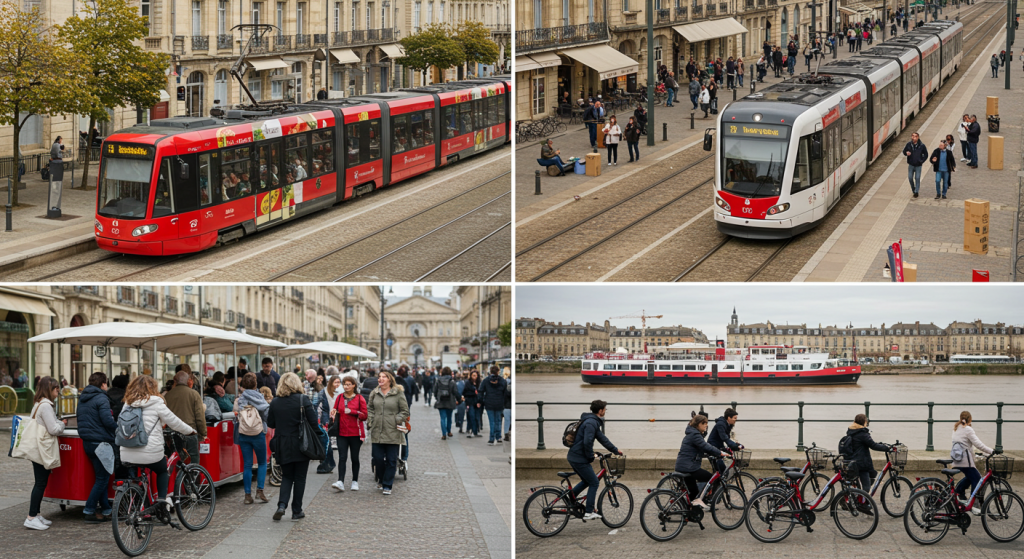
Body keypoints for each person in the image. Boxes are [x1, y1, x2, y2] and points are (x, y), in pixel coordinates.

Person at [119, 376, 197, 527]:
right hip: (150, 452)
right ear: (153, 388)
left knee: (142, 469)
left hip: (126, 452)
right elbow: (174, 422)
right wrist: (190, 431)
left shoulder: (127, 405)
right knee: (162, 469)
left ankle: (144, 502)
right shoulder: (156, 403)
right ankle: (161, 502)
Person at [267, 372, 319, 520]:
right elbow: (314, 423)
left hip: (283, 443)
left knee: (287, 476)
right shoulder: (303, 399)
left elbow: (271, 423)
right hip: (302, 443)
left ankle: (281, 505)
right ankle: (297, 511)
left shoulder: (276, 402)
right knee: (300, 478)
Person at [567, 400, 623, 520]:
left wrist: (615, 450)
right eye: (605, 409)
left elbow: (603, 439)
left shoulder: (590, 421)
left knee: (587, 480)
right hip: (579, 458)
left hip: (574, 456)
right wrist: (590, 456)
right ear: (600, 410)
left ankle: (569, 499)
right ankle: (589, 511)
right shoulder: (592, 423)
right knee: (594, 482)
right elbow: (587, 442)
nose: (605, 412)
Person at [24, 377, 66, 530]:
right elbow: (54, 429)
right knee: (40, 483)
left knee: (41, 482)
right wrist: (62, 423)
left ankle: (36, 513)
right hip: (43, 449)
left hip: (38, 447)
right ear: (50, 389)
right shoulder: (46, 406)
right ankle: (31, 517)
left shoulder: (37, 404)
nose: (58, 391)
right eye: (56, 388)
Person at [77, 372, 117, 523]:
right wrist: (118, 428)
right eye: (106, 383)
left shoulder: (83, 397)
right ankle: (89, 510)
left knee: (101, 478)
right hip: (101, 442)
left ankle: (106, 509)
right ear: (103, 384)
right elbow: (107, 421)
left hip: (88, 443)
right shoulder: (101, 398)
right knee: (102, 479)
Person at [367, 370, 409, 496]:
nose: (380, 379)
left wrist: (397, 419)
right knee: (378, 459)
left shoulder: (398, 393)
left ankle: (387, 484)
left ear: (389, 379)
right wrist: (371, 420)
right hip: (377, 430)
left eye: (384, 377)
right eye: (379, 377)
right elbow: (370, 408)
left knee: (391, 460)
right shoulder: (374, 393)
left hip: (392, 430)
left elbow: (405, 411)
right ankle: (381, 477)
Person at [674, 414, 727, 510]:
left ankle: (690, 510)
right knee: (711, 478)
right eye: (704, 423)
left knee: (693, 491)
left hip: (684, 466)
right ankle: (702, 500)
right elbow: (706, 446)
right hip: (689, 467)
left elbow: (700, 448)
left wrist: (711, 453)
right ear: (698, 424)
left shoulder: (693, 434)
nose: (706, 425)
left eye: (706, 423)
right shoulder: (695, 435)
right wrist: (720, 453)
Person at [234, 373, 271, 505]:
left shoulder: (241, 398)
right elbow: (266, 413)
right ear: (256, 384)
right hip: (257, 433)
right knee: (262, 463)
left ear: (243, 385)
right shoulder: (259, 397)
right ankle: (260, 490)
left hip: (244, 433)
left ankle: (247, 495)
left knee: (247, 464)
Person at [844, 413, 891, 515]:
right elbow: (873, 445)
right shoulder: (863, 433)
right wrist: (887, 448)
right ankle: (862, 504)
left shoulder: (851, 431)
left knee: (872, 474)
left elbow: (868, 443)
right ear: (864, 422)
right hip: (862, 463)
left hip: (854, 461)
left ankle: (858, 499)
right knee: (867, 485)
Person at [952, 411, 994, 515]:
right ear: (970, 419)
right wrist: (991, 451)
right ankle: (973, 502)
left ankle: (959, 491)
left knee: (970, 477)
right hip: (965, 460)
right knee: (977, 478)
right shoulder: (968, 429)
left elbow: (964, 443)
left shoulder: (956, 428)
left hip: (956, 459)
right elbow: (978, 444)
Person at [330, 375, 367, 492]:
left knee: (354, 458)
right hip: (341, 432)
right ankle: (340, 481)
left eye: (348, 384)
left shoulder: (360, 398)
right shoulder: (339, 398)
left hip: (355, 432)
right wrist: (333, 413)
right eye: (344, 384)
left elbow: (364, 416)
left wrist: (353, 412)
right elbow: (335, 410)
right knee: (342, 457)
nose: (346, 386)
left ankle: (354, 481)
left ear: (353, 385)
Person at [163, 367, 207, 464]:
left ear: (175, 380)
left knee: (176, 462)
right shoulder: (194, 394)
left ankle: (178, 478)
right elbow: (200, 417)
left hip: (173, 435)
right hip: (190, 432)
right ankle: (192, 478)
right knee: (193, 461)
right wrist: (203, 433)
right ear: (188, 381)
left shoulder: (167, 396)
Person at [706, 408, 744, 475]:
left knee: (722, 470)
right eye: (735, 418)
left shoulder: (727, 424)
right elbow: (724, 438)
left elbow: (728, 438)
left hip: (719, 446)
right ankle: (715, 484)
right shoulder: (721, 424)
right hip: (713, 447)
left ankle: (719, 483)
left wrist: (735, 444)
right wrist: (734, 446)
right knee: (720, 469)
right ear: (729, 418)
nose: (736, 420)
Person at [478, 365, 508, 446]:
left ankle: (491, 439)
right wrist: (504, 402)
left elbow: (481, 391)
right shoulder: (502, 381)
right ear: (498, 371)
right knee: (498, 420)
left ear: (490, 371)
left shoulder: (486, 380)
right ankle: (498, 437)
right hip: (499, 403)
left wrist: (480, 401)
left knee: (492, 421)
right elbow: (505, 393)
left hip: (489, 403)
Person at [434, 367, 459, 440]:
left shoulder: (438, 380)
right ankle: (449, 431)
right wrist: (459, 399)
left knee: (442, 418)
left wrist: (437, 398)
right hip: (450, 401)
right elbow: (455, 392)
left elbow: (435, 391)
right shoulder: (452, 381)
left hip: (441, 402)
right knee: (449, 417)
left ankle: (443, 434)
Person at [902, 132, 928, 198]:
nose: (914, 138)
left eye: (915, 136)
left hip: (918, 165)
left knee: (917, 178)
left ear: (918, 137)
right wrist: (906, 153)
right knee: (910, 177)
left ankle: (916, 191)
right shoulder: (909, 144)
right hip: (911, 164)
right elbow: (904, 151)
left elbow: (926, 154)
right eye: (913, 136)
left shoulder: (922, 145)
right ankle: (913, 189)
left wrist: (922, 161)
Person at [463, 369, 482, 438]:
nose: (474, 377)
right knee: (471, 416)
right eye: (473, 375)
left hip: (477, 403)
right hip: (470, 402)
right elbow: (465, 393)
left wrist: (479, 402)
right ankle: (469, 430)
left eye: (476, 375)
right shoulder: (468, 383)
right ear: (470, 376)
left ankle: (476, 431)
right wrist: (474, 393)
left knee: (477, 417)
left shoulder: (479, 383)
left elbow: (481, 393)